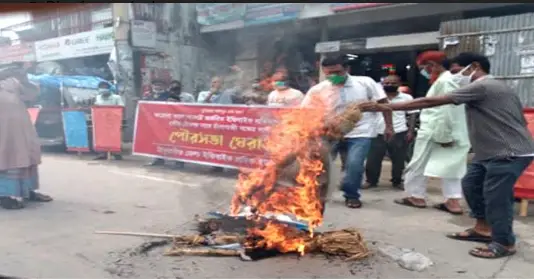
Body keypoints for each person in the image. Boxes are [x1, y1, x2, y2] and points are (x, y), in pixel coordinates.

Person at [375, 52, 534, 259]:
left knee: (496, 197)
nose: (456, 76)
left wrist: (386, 106)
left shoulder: (483, 86)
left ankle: (504, 242)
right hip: (490, 152)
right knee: (471, 185)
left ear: (475, 66)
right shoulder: (497, 87)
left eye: (458, 71)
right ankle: (483, 229)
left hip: (508, 152)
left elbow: (432, 102)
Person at [301, 54, 393, 209]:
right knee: (319, 166)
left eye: (337, 72)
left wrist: (389, 126)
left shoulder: (365, 83)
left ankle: (351, 194)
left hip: (360, 132)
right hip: (329, 133)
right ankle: (318, 196)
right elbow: (305, 112)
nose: (333, 77)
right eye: (328, 73)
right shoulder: (318, 90)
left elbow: (384, 104)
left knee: (354, 166)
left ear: (347, 69)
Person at [393, 51, 470, 215]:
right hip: (451, 130)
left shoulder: (446, 81)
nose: (424, 71)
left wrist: (445, 135)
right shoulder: (449, 80)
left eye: (424, 67)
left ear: (432, 65)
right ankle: (452, 201)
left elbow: (447, 110)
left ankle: (416, 196)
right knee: (451, 166)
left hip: (436, 130)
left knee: (418, 164)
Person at [0, 64, 53, 209]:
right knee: (6, 158)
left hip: (21, 127)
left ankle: (28, 191)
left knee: (26, 157)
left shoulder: (12, 82)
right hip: (3, 131)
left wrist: (23, 78)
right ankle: (5, 195)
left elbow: (32, 94)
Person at [364, 75, 417, 190]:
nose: (389, 85)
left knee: (399, 160)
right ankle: (371, 181)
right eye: (386, 83)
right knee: (373, 159)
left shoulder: (407, 97)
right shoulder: (375, 98)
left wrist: (410, 131)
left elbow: (412, 113)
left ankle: (397, 181)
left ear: (399, 84)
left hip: (399, 132)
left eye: (393, 83)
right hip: (377, 132)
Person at [143, 79, 181, 168]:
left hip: (169, 123)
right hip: (154, 123)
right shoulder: (149, 96)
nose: (157, 87)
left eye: (160, 85)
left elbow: (179, 105)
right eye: (155, 85)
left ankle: (179, 162)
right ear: (152, 86)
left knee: (173, 141)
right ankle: (158, 159)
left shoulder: (170, 95)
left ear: (164, 87)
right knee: (156, 141)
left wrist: (173, 102)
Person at [167, 80, 195, 169]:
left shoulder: (188, 96)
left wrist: (179, 102)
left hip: (184, 123)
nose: (175, 90)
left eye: (177, 88)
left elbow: (194, 108)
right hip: (170, 122)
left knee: (181, 142)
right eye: (173, 88)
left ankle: (180, 162)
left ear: (181, 88)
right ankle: (159, 159)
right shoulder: (167, 95)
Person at [93, 81, 124, 160]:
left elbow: (121, 107)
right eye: (101, 87)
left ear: (109, 89)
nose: (103, 89)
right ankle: (102, 153)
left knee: (114, 136)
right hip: (101, 120)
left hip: (113, 120)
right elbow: (96, 106)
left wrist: (111, 110)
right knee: (102, 136)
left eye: (105, 87)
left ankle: (116, 153)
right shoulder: (98, 97)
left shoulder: (117, 97)